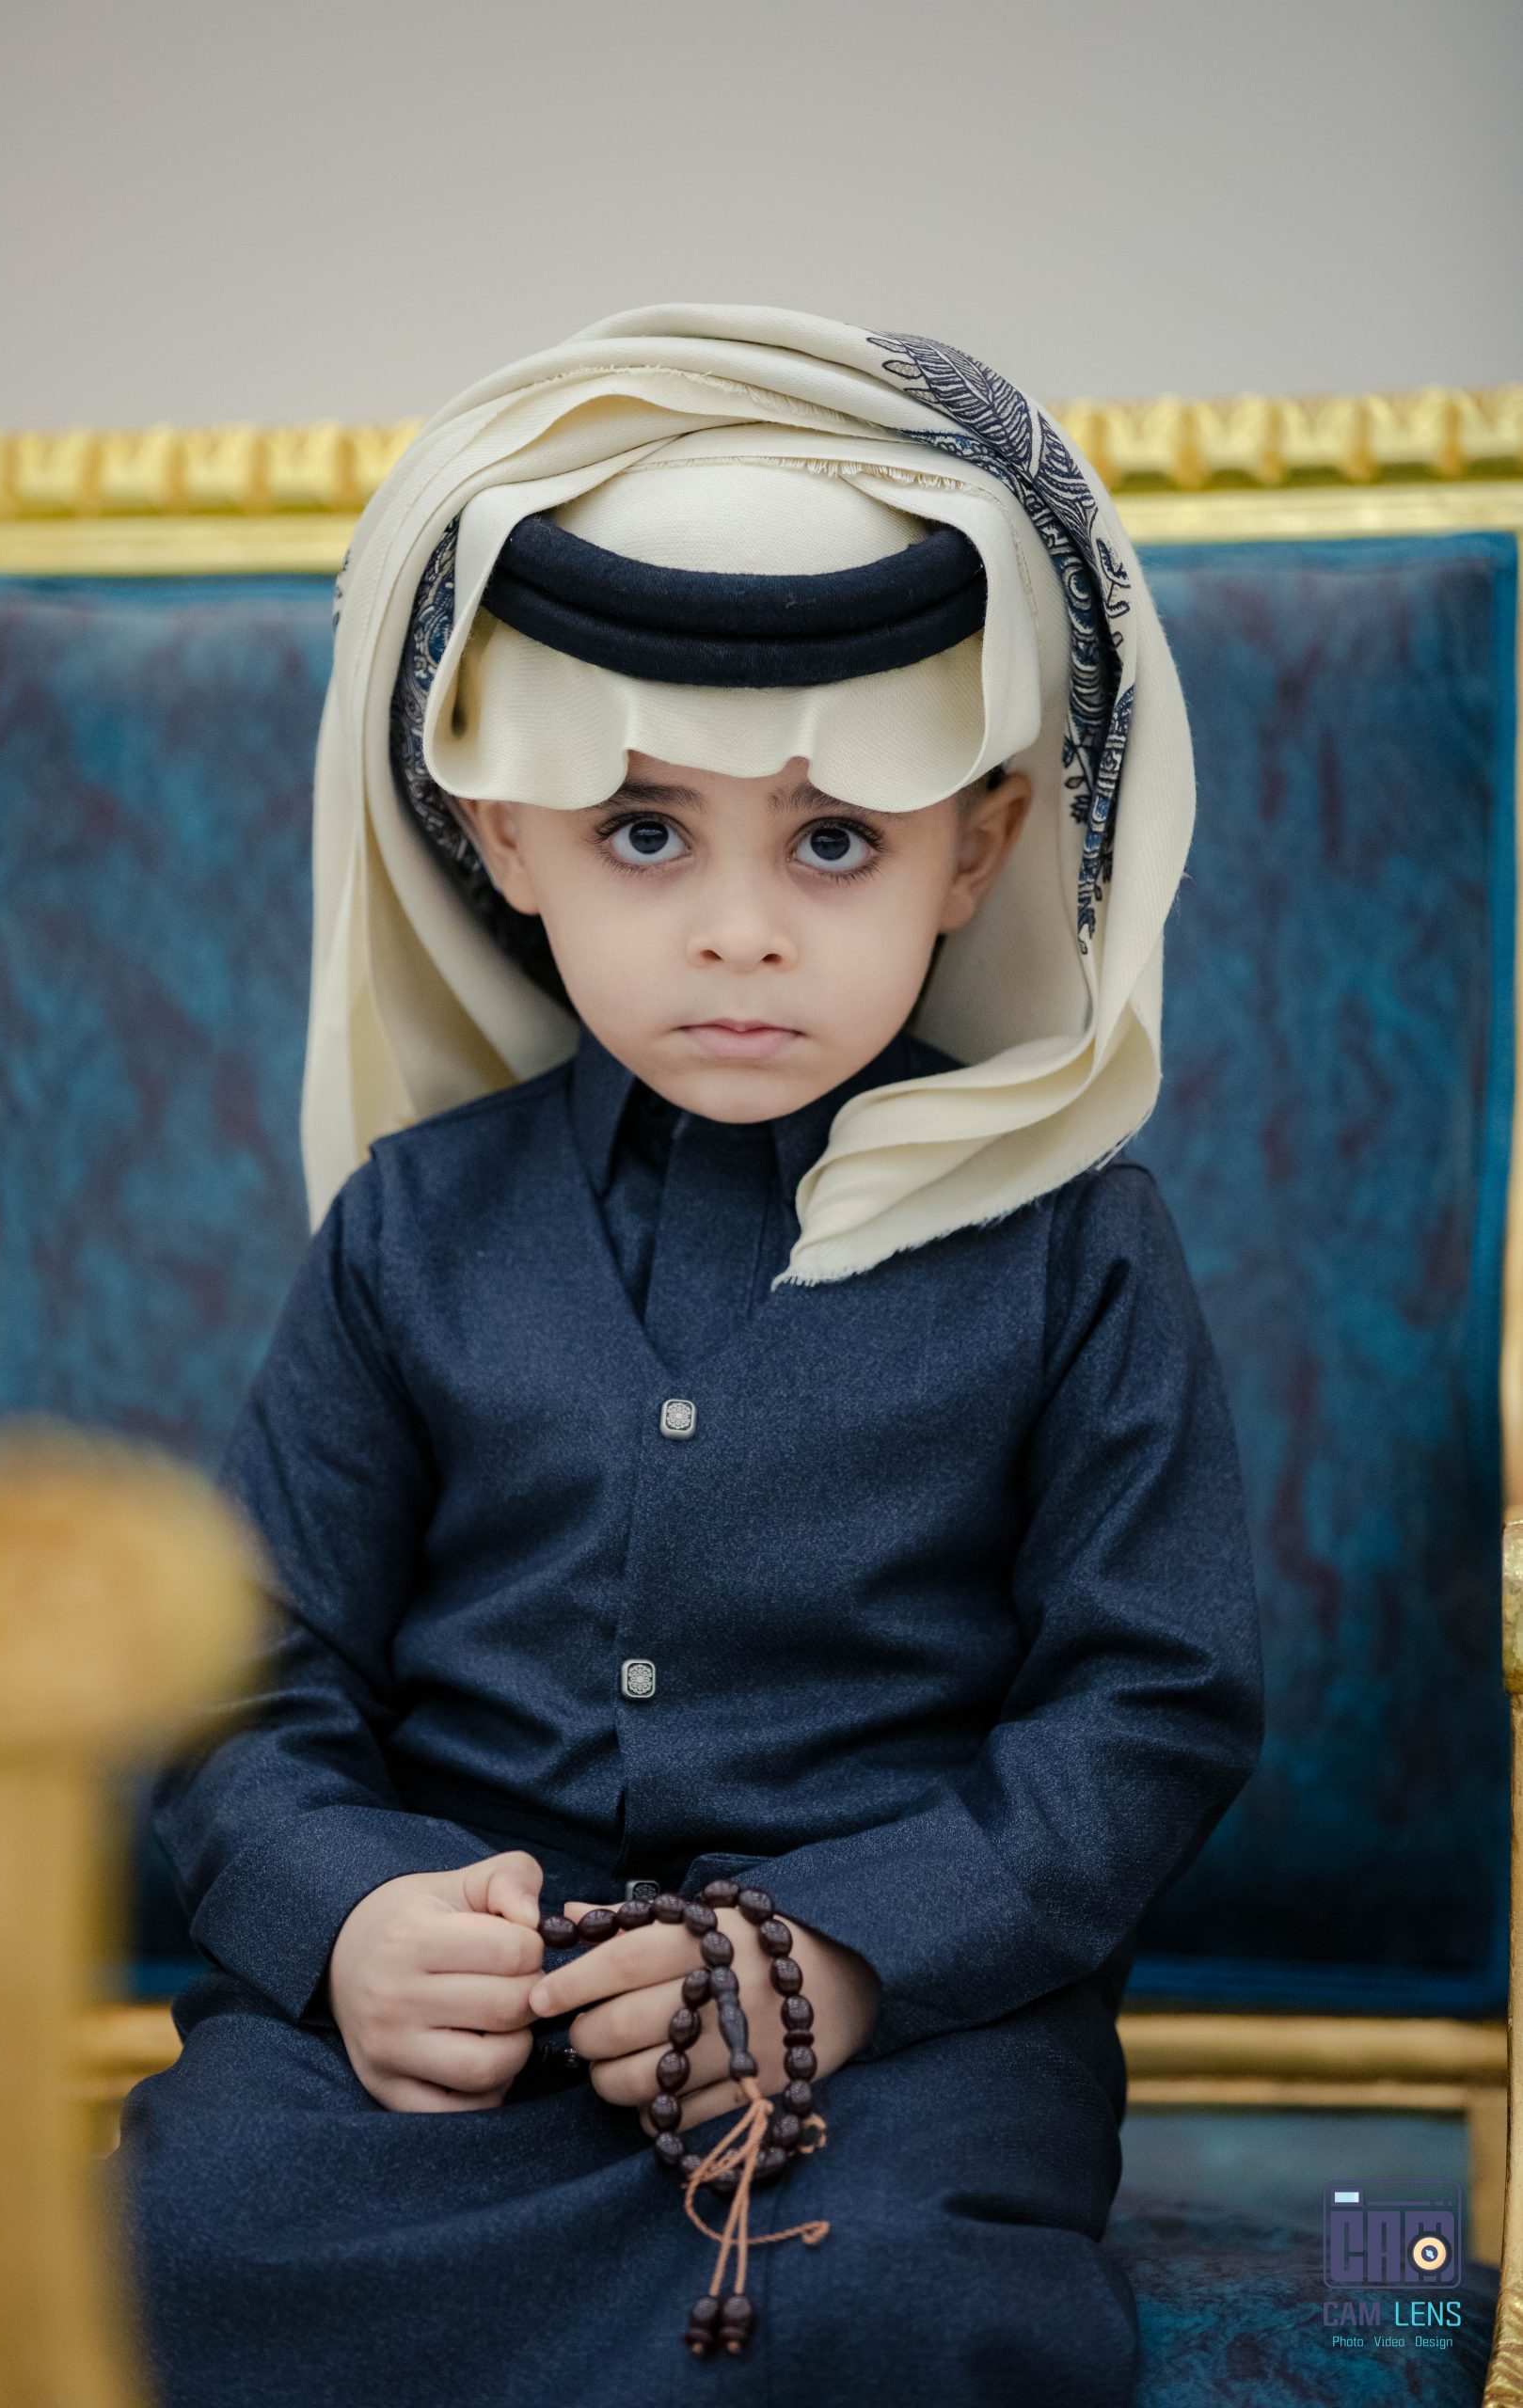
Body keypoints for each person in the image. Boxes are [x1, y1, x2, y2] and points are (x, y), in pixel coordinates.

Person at [106, 303, 1264, 2408]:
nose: (739, 929)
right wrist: (352, 1920)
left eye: (834, 838)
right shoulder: (412, 1228)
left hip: (886, 2045)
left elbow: (1151, 1696)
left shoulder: (1074, 1240)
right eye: (646, 832)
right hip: (462, 2036)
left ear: (974, 847)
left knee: (890, 2306)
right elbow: (242, 1670)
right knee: (168, 2250)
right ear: (506, 835)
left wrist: (845, 1950)